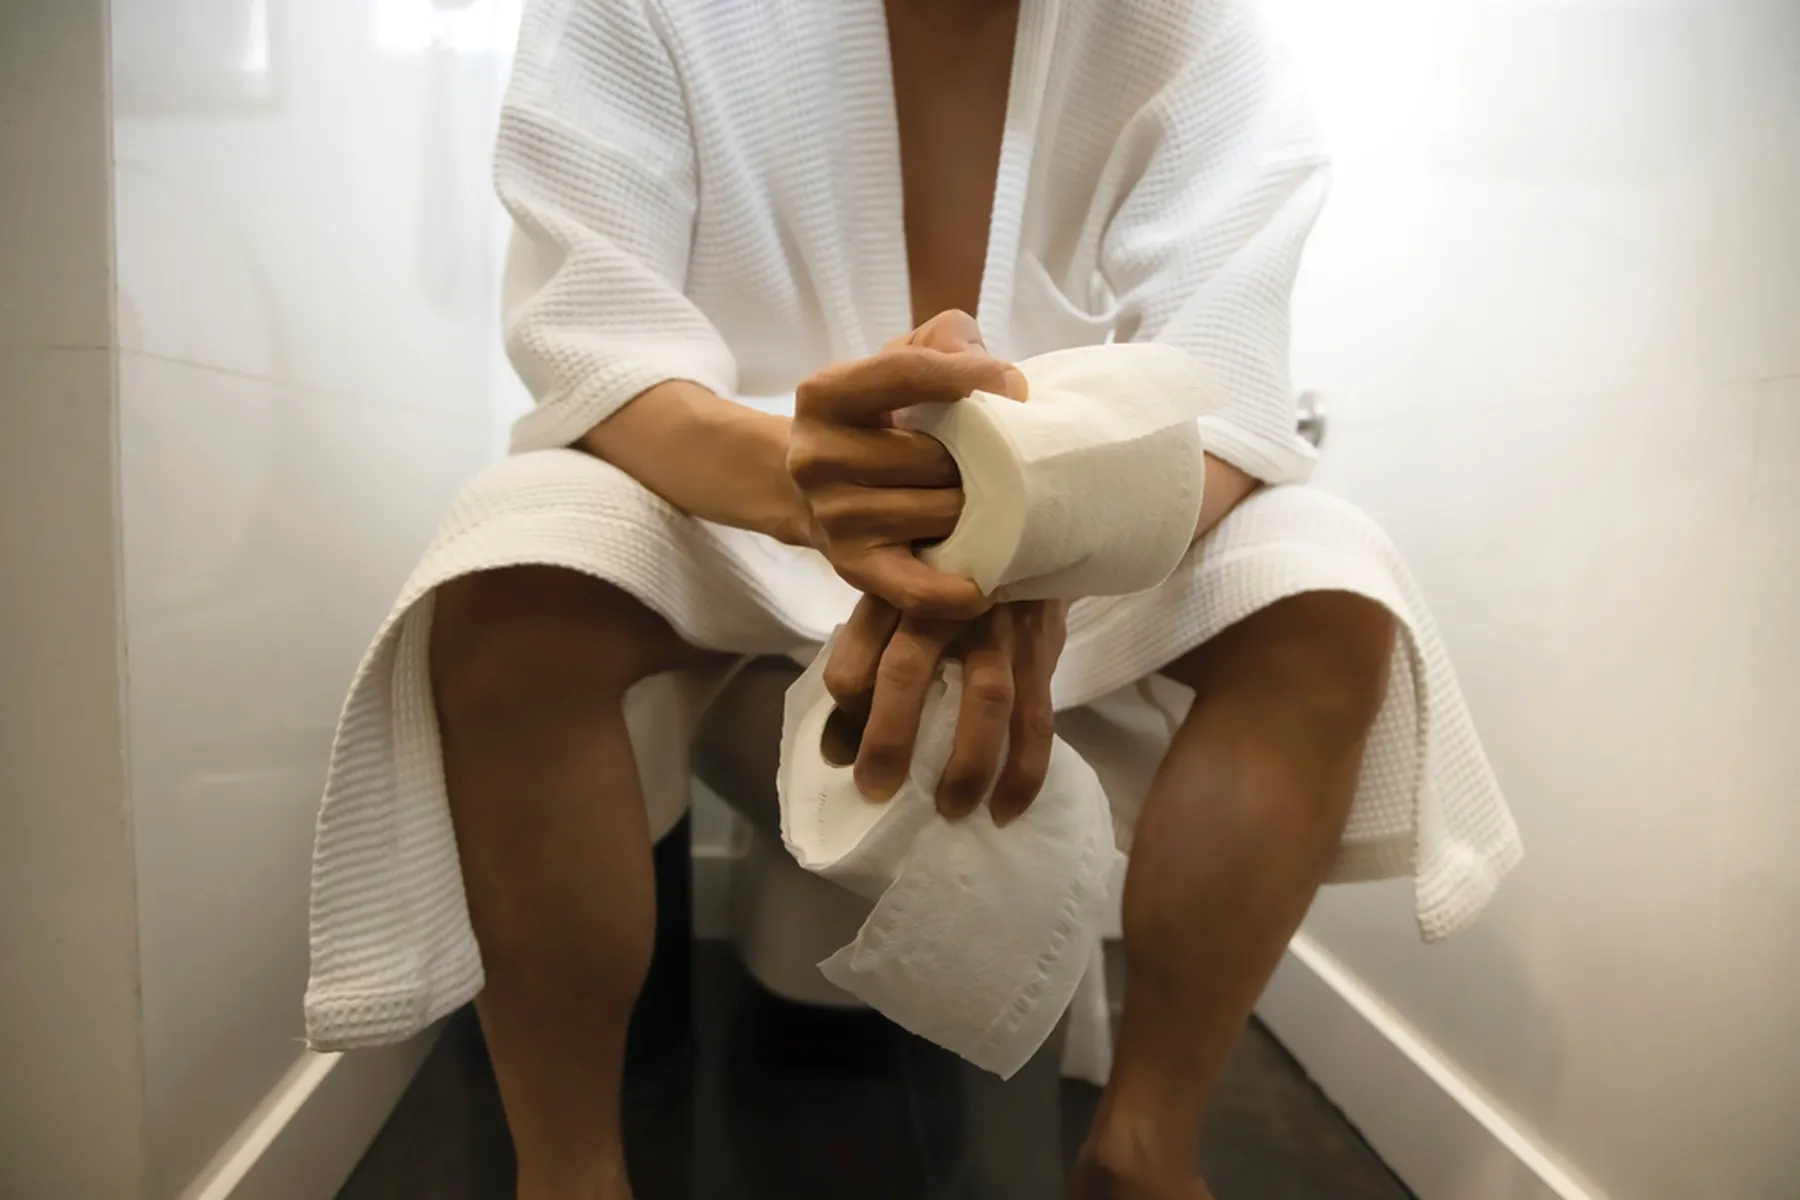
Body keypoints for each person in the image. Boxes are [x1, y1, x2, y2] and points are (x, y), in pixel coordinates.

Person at [302, 2, 1520, 1197]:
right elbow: (597, 335)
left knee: (1327, 578)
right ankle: (567, 1174)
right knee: (511, 559)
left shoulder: (1199, 34)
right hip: (736, 501)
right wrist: (795, 479)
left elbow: (1231, 387)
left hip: (1086, 533)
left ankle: (1142, 1148)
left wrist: (1035, 539)